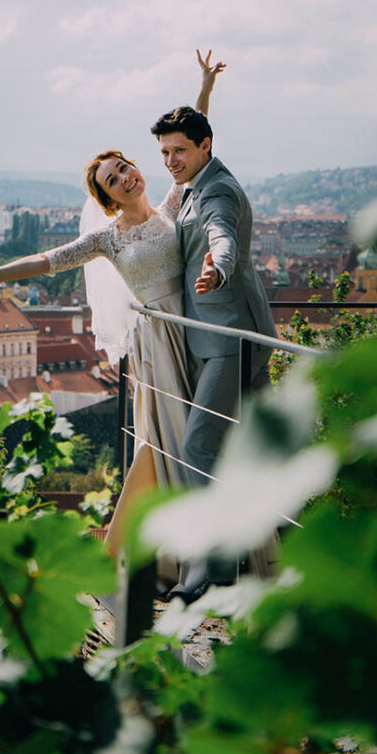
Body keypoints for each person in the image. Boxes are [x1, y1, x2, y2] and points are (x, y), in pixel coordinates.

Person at [0, 51, 225, 597]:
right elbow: (44, 261)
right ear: (106, 197)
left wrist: (205, 88)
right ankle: (179, 556)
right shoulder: (107, 238)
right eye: (111, 180)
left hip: (190, 335)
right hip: (157, 344)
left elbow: (192, 142)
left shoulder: (170, 207)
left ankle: (162, 548)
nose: (123, 178)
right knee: (171, 443)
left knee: (192, 438)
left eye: (123, 168)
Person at [149, 102, 278, 598]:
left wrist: (218, 269)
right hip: (222, 336)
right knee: (265, 449)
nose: (171, 161)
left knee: (199, 445)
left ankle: (213, 566)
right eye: (164, 152)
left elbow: (221, 236)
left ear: (205, 146)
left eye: (179, 151)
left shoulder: (217, 189)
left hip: (230, 339)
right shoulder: (194, 184)